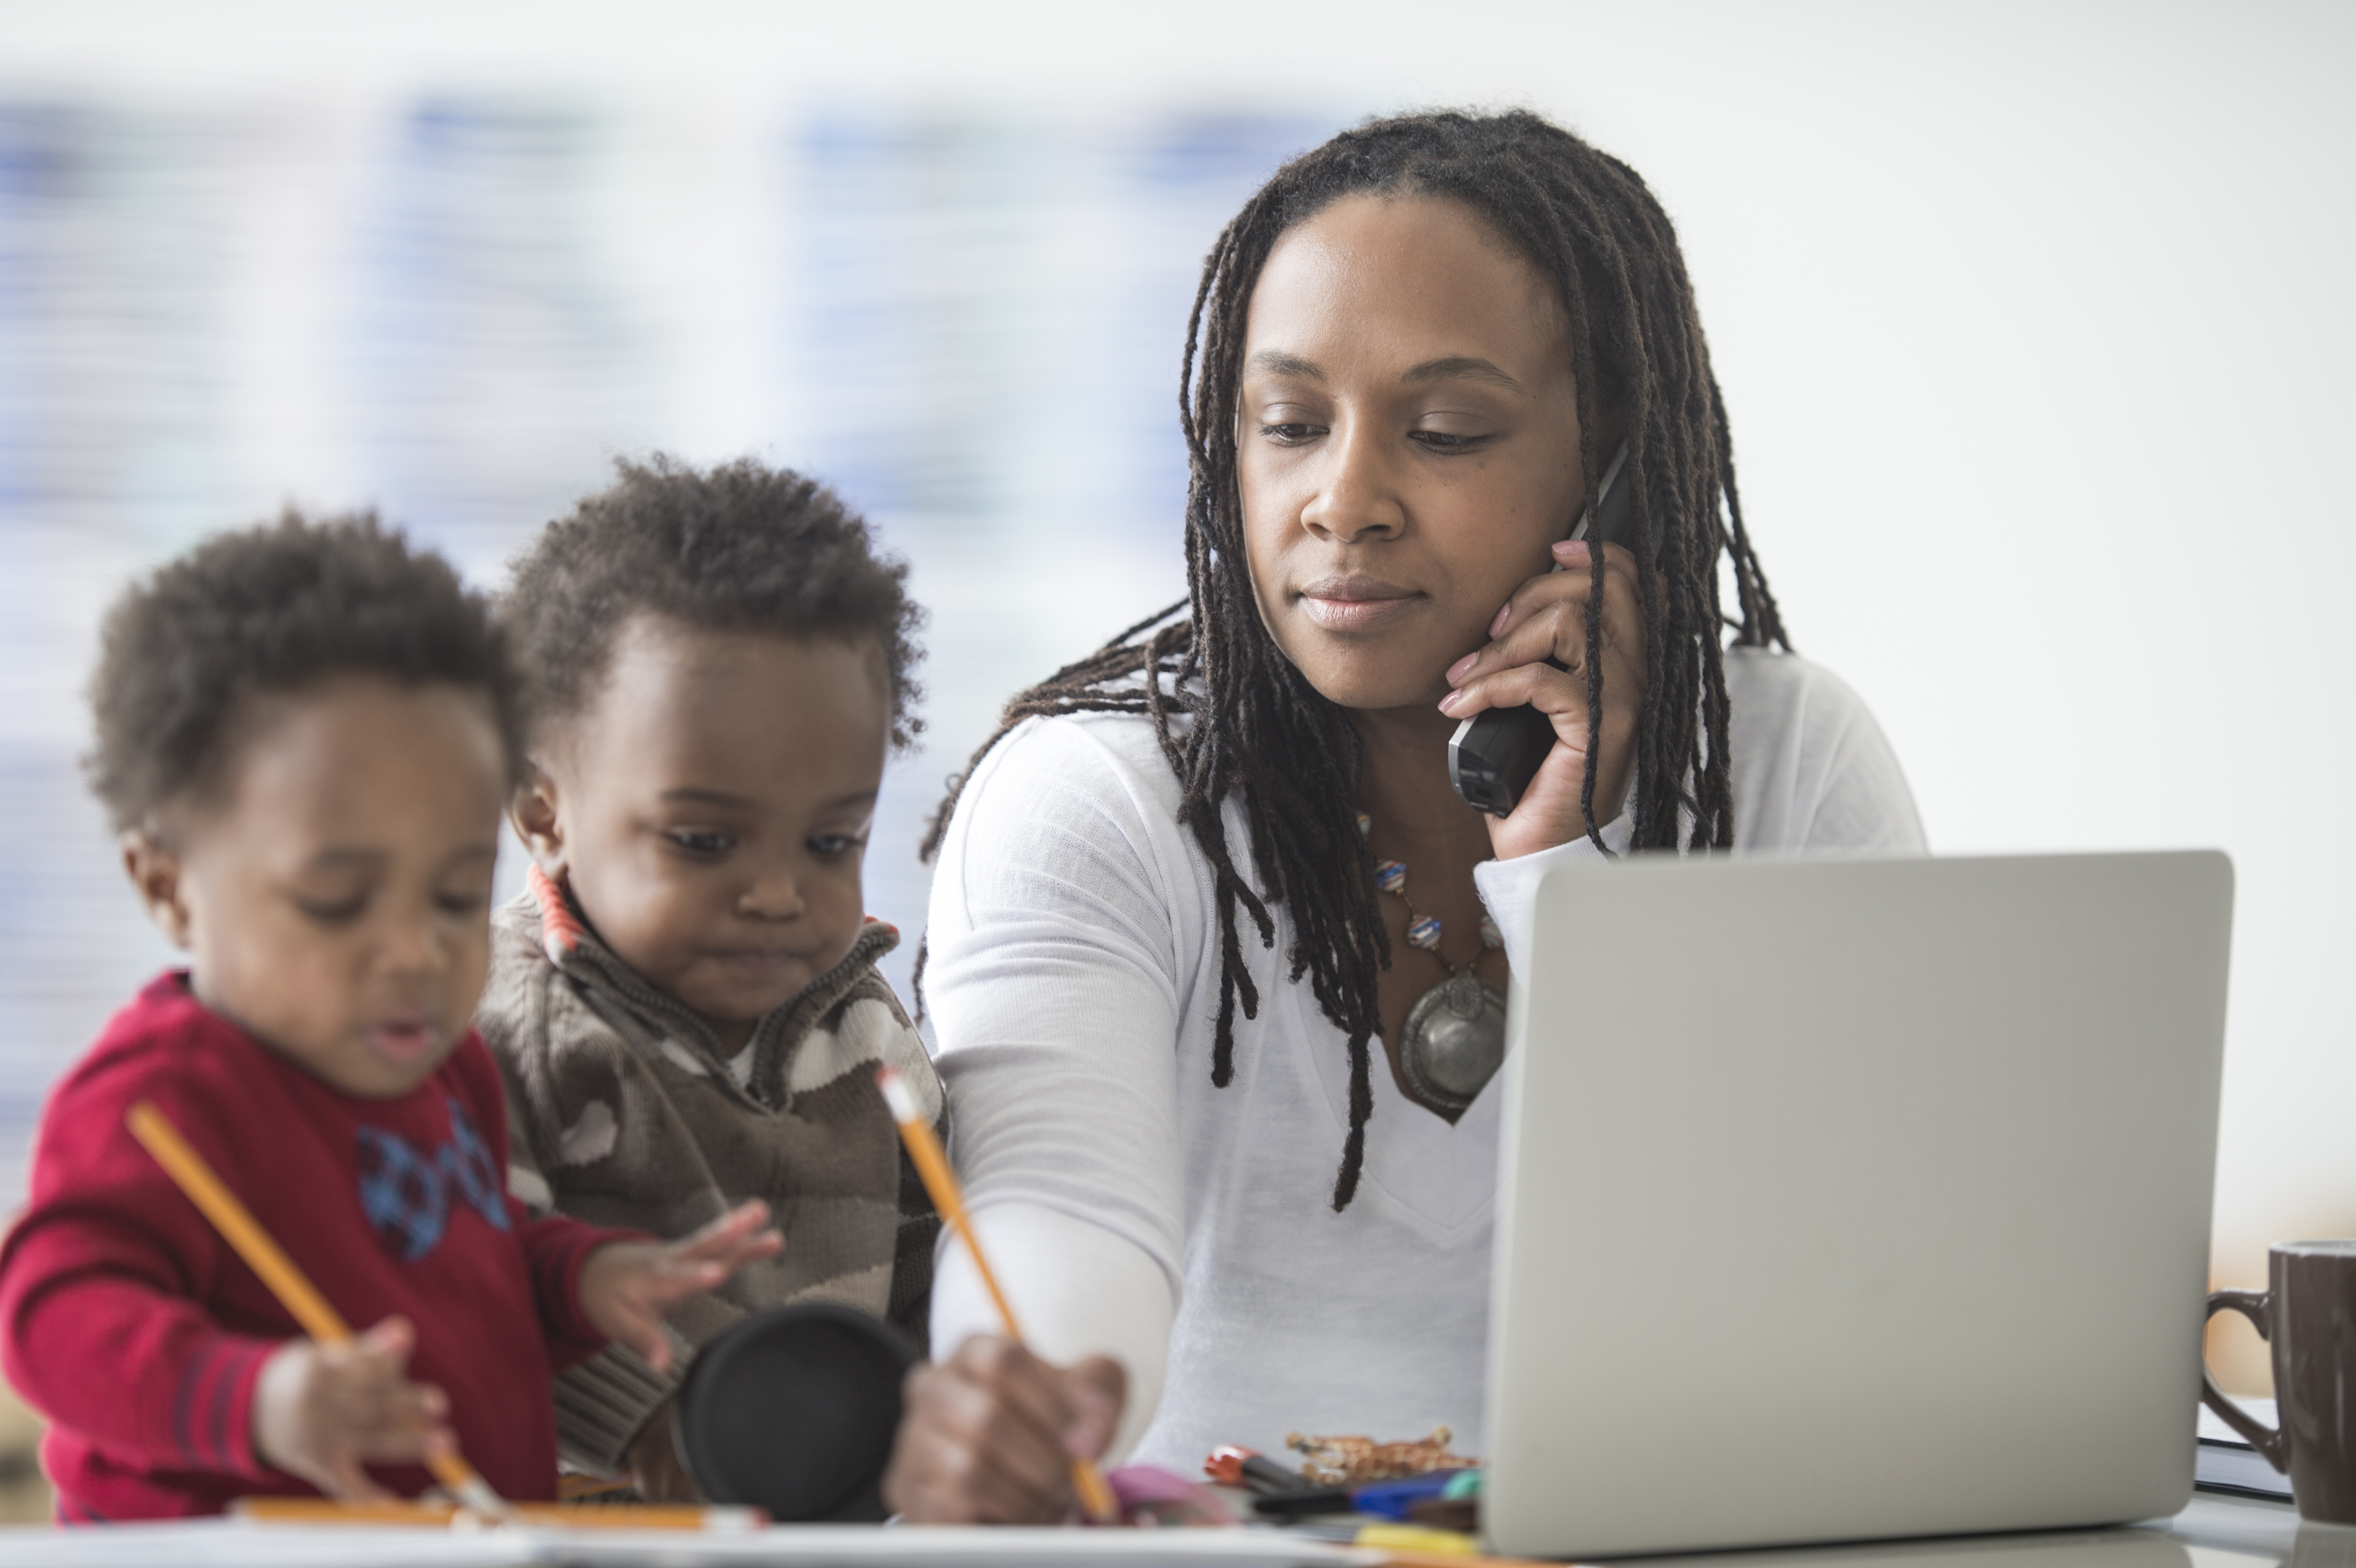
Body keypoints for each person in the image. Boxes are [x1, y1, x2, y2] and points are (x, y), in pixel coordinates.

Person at [884, 109, 1926, 1522]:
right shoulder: (1093, 801)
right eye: (1290, 425)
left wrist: (1570, 871)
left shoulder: (1792, 758)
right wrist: (1035, 1402)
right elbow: (1067, 1213)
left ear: (1609, 458)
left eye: (1443, 432)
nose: (1344, 501)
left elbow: (1814, 1313)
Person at [0, 515, 780, 1521]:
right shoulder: (157, 1099)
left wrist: (581, 1279)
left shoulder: (443, 1068)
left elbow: (473, 1259)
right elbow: (50, 1314)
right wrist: (259, 1398)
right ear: (168, 885)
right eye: (337, 902)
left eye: (456, 895)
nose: (415, 949)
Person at [479, 456, 945, 1501]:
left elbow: (933, 1281)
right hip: (588, 1520)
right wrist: (657, 1432)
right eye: (703, 839)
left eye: (833, 840)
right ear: (544, 810)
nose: (779, 893)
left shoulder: (864, 1028)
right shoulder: (496, 1023)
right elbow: (476, 1280)